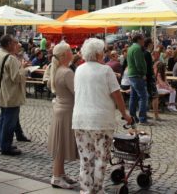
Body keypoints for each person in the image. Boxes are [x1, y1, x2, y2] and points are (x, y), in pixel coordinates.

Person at [72, 38, 132, 194]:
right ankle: (98, 190)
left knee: (86, 159)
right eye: (103, 51)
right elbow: (117, 95)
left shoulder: (79, 69)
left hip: (80, 119)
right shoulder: (105, 70)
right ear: (99, 53)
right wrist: (125, 113)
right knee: (100, 159)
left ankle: (86, 190)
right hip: (101, 121)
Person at [47, 43, 78, 189]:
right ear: (64, 55)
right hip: (66, 111)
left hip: (61, 109)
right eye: (70, 51)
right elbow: (76, 92)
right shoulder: (66, 72)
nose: (73, 53)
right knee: (61, 145)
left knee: (60, 143)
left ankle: (60, 173)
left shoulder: (58, 69)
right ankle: (57, 177)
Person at [0, 35, 29, 156]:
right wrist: (24, 69)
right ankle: (6, 146)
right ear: (9, 43)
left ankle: (1, 142)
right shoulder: (11, 58)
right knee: (9, 121)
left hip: (3, 91)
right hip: (11, 93)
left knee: (3, 118)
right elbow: (17, 77)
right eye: (15, 43)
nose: (16, 46)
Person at [127, 34, 151, 125]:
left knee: (133, 97)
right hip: (137, 75)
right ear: (139, 39)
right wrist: (142, 73)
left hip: (132, 75)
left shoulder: (131, 48)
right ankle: (142, 119)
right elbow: (139, 63)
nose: (144, 41)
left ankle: (133, 117)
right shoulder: (137, 49)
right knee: (143, 97)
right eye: (143, 39)